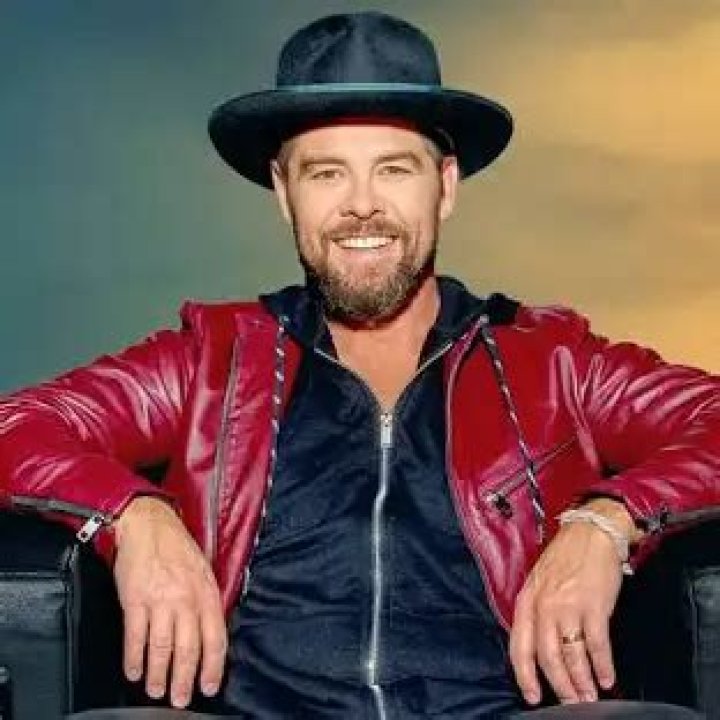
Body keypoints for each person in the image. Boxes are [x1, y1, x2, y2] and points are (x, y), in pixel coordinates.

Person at [0, 10, 718, 719]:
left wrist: (608, 520)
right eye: (326, 174)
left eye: (394, 170)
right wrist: (134, 516)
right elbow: (19, 424)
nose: (362, 206)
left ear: (445, 185)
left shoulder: (552, 360)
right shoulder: (212, 360)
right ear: (285, 193)